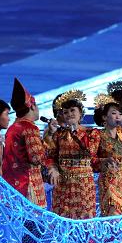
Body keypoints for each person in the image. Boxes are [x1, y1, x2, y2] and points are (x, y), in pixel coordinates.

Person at [2, 77, 56, 207]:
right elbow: (37, 157)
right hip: (29, 187)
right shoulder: (29, 128)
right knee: (34, 225)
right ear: (32, 105)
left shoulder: (12, 128)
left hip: (13, 187)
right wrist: (49, 142)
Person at [47, 90, 100, 219]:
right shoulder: (58, 134)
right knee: (63, 221)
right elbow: (49, 156)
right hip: (63, 184)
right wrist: (53, 169)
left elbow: (90, 151)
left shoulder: (91, 133)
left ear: (80, 112)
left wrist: (75, 132)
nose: (69, 114)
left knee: (84, 221)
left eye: (72, 110)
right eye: (65, 112)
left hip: (83, 184)